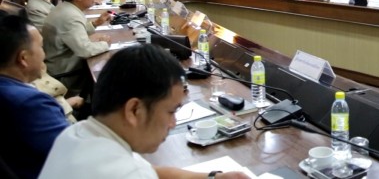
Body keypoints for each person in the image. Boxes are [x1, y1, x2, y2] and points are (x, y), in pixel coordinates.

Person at [39, 44, 250, 179]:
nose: (173, 124)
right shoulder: (127, 173)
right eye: (171, 112)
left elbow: (151, 172)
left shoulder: (78, 133)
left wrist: (212, 177)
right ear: (134, 109)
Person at [0, 14, 69, 179]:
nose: (44, 55)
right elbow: (76, 152)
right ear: (23, 58)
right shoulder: (30, 104)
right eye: (41, 47)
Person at [42, 0, 111, 97]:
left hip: (59, 67)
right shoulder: (71, 16)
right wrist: (106, 44)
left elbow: (74, 32)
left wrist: (95, 24)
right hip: (66, 75)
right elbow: (85, 51)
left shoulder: (65, 8)